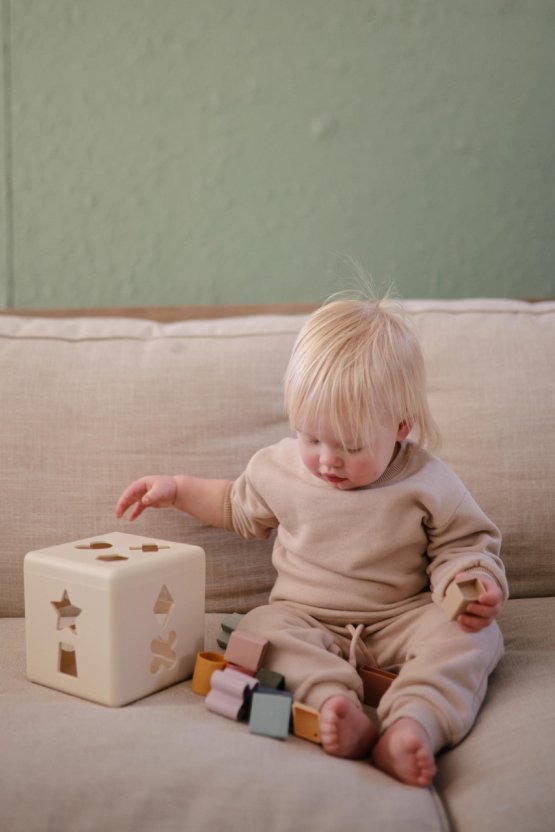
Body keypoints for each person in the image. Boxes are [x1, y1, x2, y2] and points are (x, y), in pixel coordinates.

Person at [115, 296, 507, 787]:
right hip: (306, 616)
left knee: (477, 636)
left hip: (399, 618)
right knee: (261, 630)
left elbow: (464, 545)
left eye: (351, 445)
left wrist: (471, 581)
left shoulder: (429, 481)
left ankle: (415, 723)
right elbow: (234, 505)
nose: (327, 460)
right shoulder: (277, 468)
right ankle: (336, 706)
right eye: (311, 437)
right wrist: (177, 489)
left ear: (401, 426)